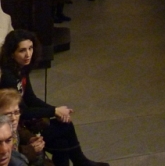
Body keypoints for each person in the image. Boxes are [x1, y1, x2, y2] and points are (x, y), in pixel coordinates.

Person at [0, 30, 109, 166]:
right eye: (22, 50)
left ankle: (81, 162)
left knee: (63, 130)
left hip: (24, 120)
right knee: (63, 130)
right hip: (17, 126)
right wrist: (53, 111)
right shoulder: (8, 77)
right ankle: (81, 162)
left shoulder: (21, 68)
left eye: (30, 48)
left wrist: (56, 110)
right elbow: (23, 112)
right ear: (11, 53)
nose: (28, 54)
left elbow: (31, 98)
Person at [0, 88, 49, 166]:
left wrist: (31, 138)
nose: (14, 118)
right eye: (8, 114)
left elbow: (20, 130)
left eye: (16, 112)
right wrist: (31, 149)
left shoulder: (13, 126)